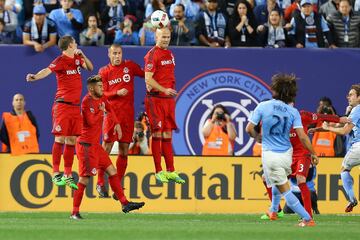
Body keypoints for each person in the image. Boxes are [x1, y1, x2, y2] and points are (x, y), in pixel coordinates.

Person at [245, 73, 318, 227]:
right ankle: (273, 210)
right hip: (287, 155)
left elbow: (249, 128)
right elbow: (303, 137)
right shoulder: (293, 112)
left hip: (271, 155)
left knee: (285, 189)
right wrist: (313, 153)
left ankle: (307, 218)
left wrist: (257, 137)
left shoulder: (263, 106)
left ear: (275, 91)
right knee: (275, 181)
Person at [70, 75, 145, 220]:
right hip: (85, 145)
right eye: (99, 86)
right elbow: (91, 122)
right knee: (84, 179)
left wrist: (116, 124)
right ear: (91, 88)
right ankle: (74, 212)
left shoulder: (102, 98)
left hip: (95, 145)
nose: (102, 88)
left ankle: (124, 203)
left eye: (102, 86)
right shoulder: (87, 102)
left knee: (112, 171)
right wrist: (101, 111)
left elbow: (110, 109)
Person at [26, 35, 93, 190]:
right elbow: (47, 70)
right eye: (75, 42)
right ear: (70, 45)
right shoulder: (60, 61)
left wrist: (83, 55)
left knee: (71, 140)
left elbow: (90, 68)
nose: (76, 44)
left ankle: (68, 175)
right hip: (62, 105)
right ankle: (55, 173)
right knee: (60, 139)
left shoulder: (77, 58)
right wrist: (35, 77)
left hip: (75, 107)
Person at [96, 43, 144, 198]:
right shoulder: (104, 71)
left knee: (124, 150)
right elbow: (101, 94)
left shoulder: (129, 66)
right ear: (109, 55)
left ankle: (117, 185)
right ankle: (99, 183)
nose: (117, 56)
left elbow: (146, 73)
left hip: (127, 115)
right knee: (106, 148)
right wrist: (117, 92)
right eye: (114, 54)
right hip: (111, 115)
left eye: (119, 53)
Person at [144, 27, 185, 184]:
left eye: (168, 37)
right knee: (157, 135)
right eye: (163, 37)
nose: (166, 39)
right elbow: (148, 79)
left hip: (168, 101)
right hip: (156, 100)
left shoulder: (170, 53)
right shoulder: (151, 55)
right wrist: (164, 89)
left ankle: (171, 170)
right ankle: (158, 171)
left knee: (168, 135)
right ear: (156, 37)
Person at [322, 84, 360, 213]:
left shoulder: (357, 109)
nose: (348, 97)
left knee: (345, 169)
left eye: (351, 94)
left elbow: (344, 131)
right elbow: (343, 120)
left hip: (358, 146)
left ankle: (351, 198)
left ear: (359, 97)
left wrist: (328, 128)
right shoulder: (355, 110)